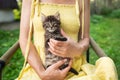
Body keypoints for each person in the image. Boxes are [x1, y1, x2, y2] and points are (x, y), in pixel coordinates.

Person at [16, 0, 118, 80]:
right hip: (39, 70)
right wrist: (43, 74)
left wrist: (77, 48)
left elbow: (85, 38)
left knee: (107, 65)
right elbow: (24, 39)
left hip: (75, 69)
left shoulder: (82, 1)